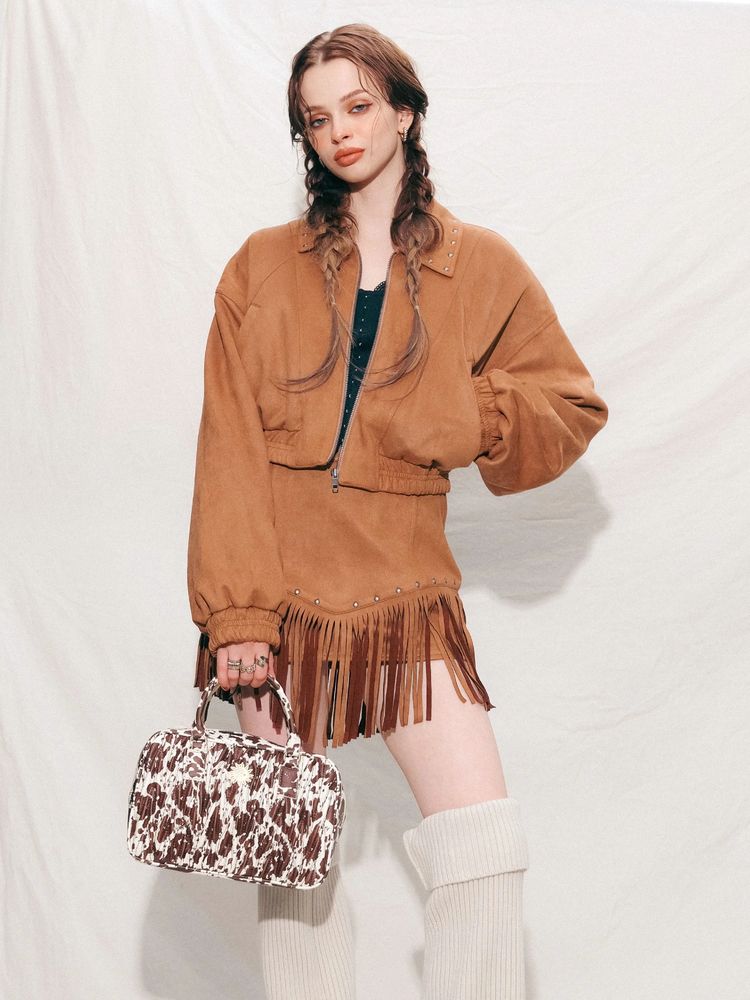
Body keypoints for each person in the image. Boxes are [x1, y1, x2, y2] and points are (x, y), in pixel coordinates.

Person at [187, 23, 608, 1000]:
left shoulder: (479, 264)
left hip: (407, 597)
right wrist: (238, 619)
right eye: (316, 117)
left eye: (359, 105)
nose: (339, 130)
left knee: (481, 847)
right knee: (294, 856)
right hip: (280, 604)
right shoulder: (258, 269)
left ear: (406, 112)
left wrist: (463, 413)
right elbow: (228, 452)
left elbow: (569, 403)